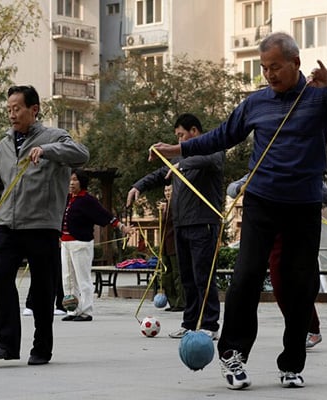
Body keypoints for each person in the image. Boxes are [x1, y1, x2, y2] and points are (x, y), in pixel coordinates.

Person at [150, 32, 327, 389]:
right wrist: (177, 150)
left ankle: (292, 363)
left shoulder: (320, 98)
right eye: (264, 68)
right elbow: (222, 135)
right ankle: (233, 354)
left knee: (301, 285)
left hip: (303, 206)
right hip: (262, 202)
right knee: (246, 277)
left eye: (276, 67)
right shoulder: (256, 103)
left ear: (296, 63)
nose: (269, 74)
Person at [0, 85, 89, 366]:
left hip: (42, 226)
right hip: (9, 225)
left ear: (34, 110)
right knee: (1, 279)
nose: (12, 114)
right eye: (8, 109)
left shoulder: (55, 137)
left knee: (43, 289)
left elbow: (81, 154)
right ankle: (7, 344)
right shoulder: (3, 146)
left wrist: (46, 150)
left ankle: (42, 348)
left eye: (17, 108)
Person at [228, 175, 327, 349]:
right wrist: (240, 188)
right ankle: (304, 329)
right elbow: (233, 187)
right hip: (274, 236)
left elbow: (323, 190)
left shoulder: (301, 166)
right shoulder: (264, 165)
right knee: (280, 287)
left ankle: (309, 330)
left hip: (299, 233)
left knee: (300, 285)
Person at [127, 113, 224, 340]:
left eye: (181, 135)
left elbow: (213, 160)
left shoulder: (212, 148)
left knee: (204, 277)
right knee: (187, 278)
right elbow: (161, 173)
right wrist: (138, 186)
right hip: (181, 225)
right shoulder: (180, 159)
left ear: (194, 131)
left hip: (203, 224)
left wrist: (182, 161)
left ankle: (210, 324)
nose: (179, 140)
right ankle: (189, 323)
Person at [60, 169, 132, 322]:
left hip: (81, 243)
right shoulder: (67, 199)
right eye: (70, 180)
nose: (71, 183)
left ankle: (86, 311)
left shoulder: (87, 200)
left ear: (82, 182)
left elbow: (105, 215)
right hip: (65, 243)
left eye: (75, 180)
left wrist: (122, 227)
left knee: (82, 278)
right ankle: (73, 309)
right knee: (68, 278)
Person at [159, 185, 185, 312]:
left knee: (177, 274)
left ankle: (181, 302)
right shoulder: (163, 207)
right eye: (166, 190)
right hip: (165, 245)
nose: (167, 192)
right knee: (166, 275)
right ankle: (172, 301)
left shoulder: (178, 205)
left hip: (174, 245)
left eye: (170, 190)